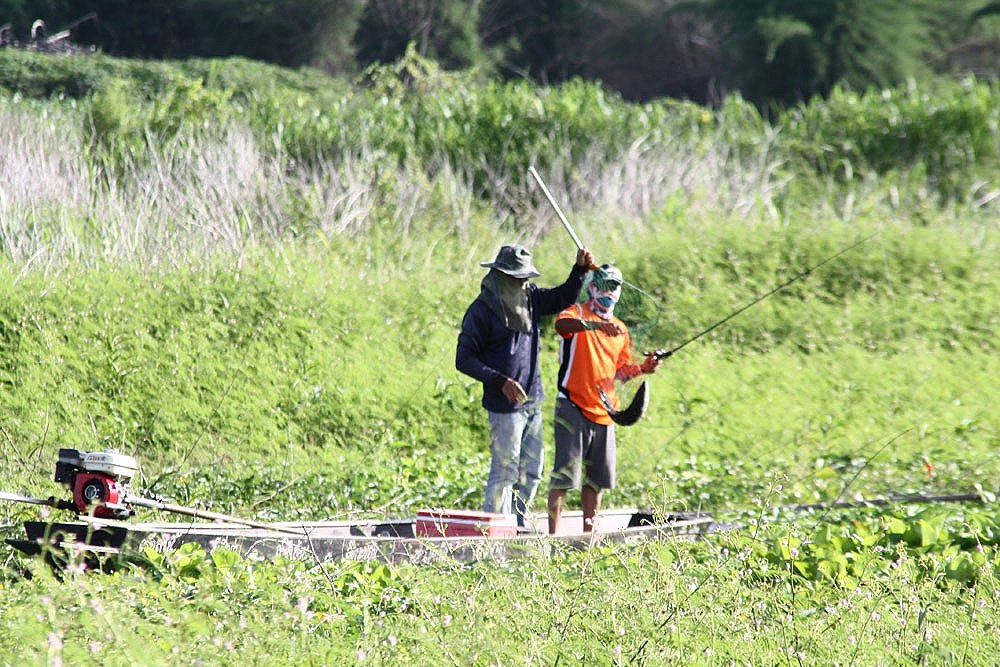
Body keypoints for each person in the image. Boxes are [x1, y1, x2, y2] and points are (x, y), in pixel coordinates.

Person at [456, 243, 593, 526]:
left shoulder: (530, 298)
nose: (523, 283)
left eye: (526, 278)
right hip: (504, 406)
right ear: (500, 275)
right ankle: (493, 530)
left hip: (533, 399)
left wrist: (579, 269)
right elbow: (463, 359)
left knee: (532, 470)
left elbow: (561, 298)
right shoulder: (481, 311)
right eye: (517, 278)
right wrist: (499, 380)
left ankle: (518, 525)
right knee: (505, 471)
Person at [547, 264, 660, 534]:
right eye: (604, 286)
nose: (609, 292)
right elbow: (560, 325)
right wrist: (594, 325)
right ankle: (551, 539)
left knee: (596, 482)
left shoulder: (620, 329)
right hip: (572, 404)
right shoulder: (576, 313)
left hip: (605, 411)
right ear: (592, 288)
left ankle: (590, 540)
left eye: (615, 287)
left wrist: (643, 368)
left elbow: (620, 371)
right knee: (563, 478)